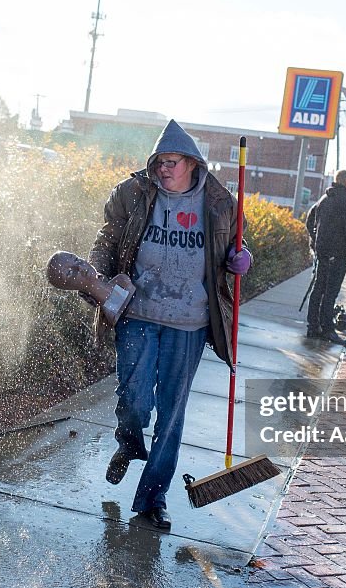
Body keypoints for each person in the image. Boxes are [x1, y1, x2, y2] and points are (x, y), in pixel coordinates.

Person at [87, 119, 251, 530]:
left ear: (192, 163)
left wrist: (239, 259)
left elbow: (235, 247)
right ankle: (128, 441)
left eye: (171, 162)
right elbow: (107, 238)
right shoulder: (133, 192)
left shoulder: (218, 202)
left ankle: (152, 499)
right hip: (138, 313)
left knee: (172, 414)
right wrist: (96, 278)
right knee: (136, 399)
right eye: (159, 161)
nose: (163, 169)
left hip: (190, 321)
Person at [304, 170, 346, 345]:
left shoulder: (324, 199)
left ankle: (313, 327)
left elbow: (309, 220)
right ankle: (328, 329)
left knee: (318, 290)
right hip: (338, 255)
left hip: (322, 253)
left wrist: (315, 239)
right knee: (330, 293)